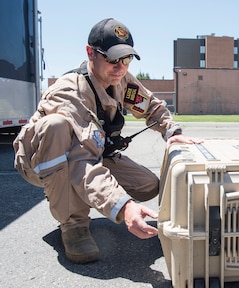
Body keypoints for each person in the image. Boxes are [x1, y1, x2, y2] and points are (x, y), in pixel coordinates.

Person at [13, 18, 201, 264]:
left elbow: (150, 106)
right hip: (40, 160)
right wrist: (124, 207)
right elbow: (82, 161)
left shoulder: (121, 80)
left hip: (91, 152)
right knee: (56, 127)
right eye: (113, 59)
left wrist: (172, 132)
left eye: (126, 59)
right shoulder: (69, 92)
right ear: (90, 53)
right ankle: (73, 224)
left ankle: (82, 194)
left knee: (147, 185)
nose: (120, 67)